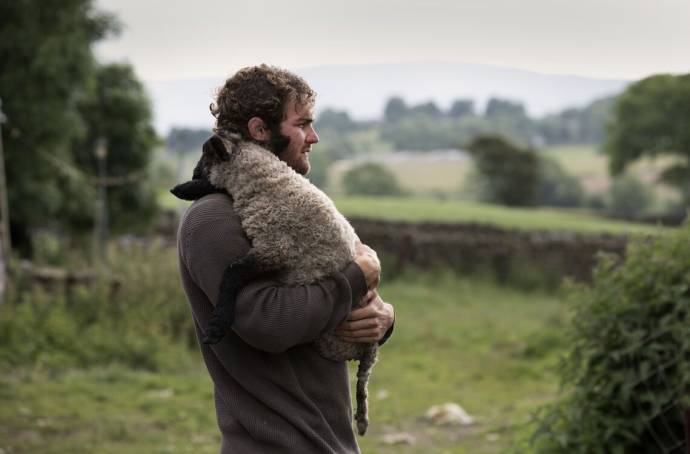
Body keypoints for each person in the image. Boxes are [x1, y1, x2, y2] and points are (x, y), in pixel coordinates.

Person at [174, 64, 394, 454]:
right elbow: (269, 322)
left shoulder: (287, 202)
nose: (314, 137)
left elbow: (337, 297)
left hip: (329, 442)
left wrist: (381, 318)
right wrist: (357, 277)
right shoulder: (212, 218)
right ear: (260, 130)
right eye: (302, 124)